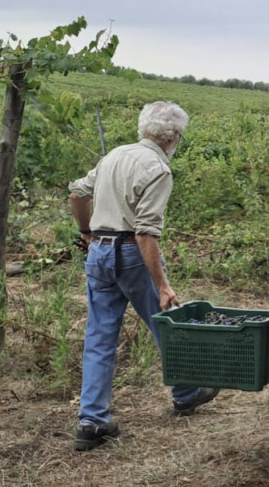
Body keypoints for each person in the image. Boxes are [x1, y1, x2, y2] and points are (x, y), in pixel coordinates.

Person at [67, 101, 219, 452]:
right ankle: (186, 394)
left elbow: (77, 192)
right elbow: (144, 234)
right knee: (164, 323)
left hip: (99, 252)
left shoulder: (115, 155)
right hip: (132, 254)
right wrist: (163, 284)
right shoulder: (158, 169)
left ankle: (91, 421)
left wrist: (86, 232)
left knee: (100, 336)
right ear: (173, 136)